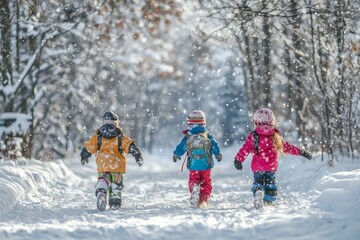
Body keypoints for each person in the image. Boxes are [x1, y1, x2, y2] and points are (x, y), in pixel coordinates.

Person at [234, 108, 312, 209]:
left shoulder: (253, 136)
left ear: (256, 122)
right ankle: (268, 201)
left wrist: (238, 160)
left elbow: (245, 149)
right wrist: (301, 152)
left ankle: (258, 191)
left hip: (257, 166)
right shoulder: (274, 135)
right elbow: (287, 147)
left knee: (258, 181)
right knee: (270, 182)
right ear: (272, 121)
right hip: (270, 166)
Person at [80, 111, 143, 211]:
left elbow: (89, 146)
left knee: (103, 179)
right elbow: (129, 146)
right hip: (117, 165)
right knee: (116, 185)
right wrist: (137, 155)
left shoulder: (98, 136)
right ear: (116, 123)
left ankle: (101, 190)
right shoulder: (120, 136)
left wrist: (84, 155)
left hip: (103, 164)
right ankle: (115, 202)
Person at [173, 110, 222, 208]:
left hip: (193, 165)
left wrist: (176, 154)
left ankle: (194, 189)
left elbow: (182, 147)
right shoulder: (207, 135)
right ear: (204, 122)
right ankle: (203, 200)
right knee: (206, 182)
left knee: (193, 179)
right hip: (206, 165)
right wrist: (218, 154)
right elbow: (215, 146)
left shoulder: (188, 136)